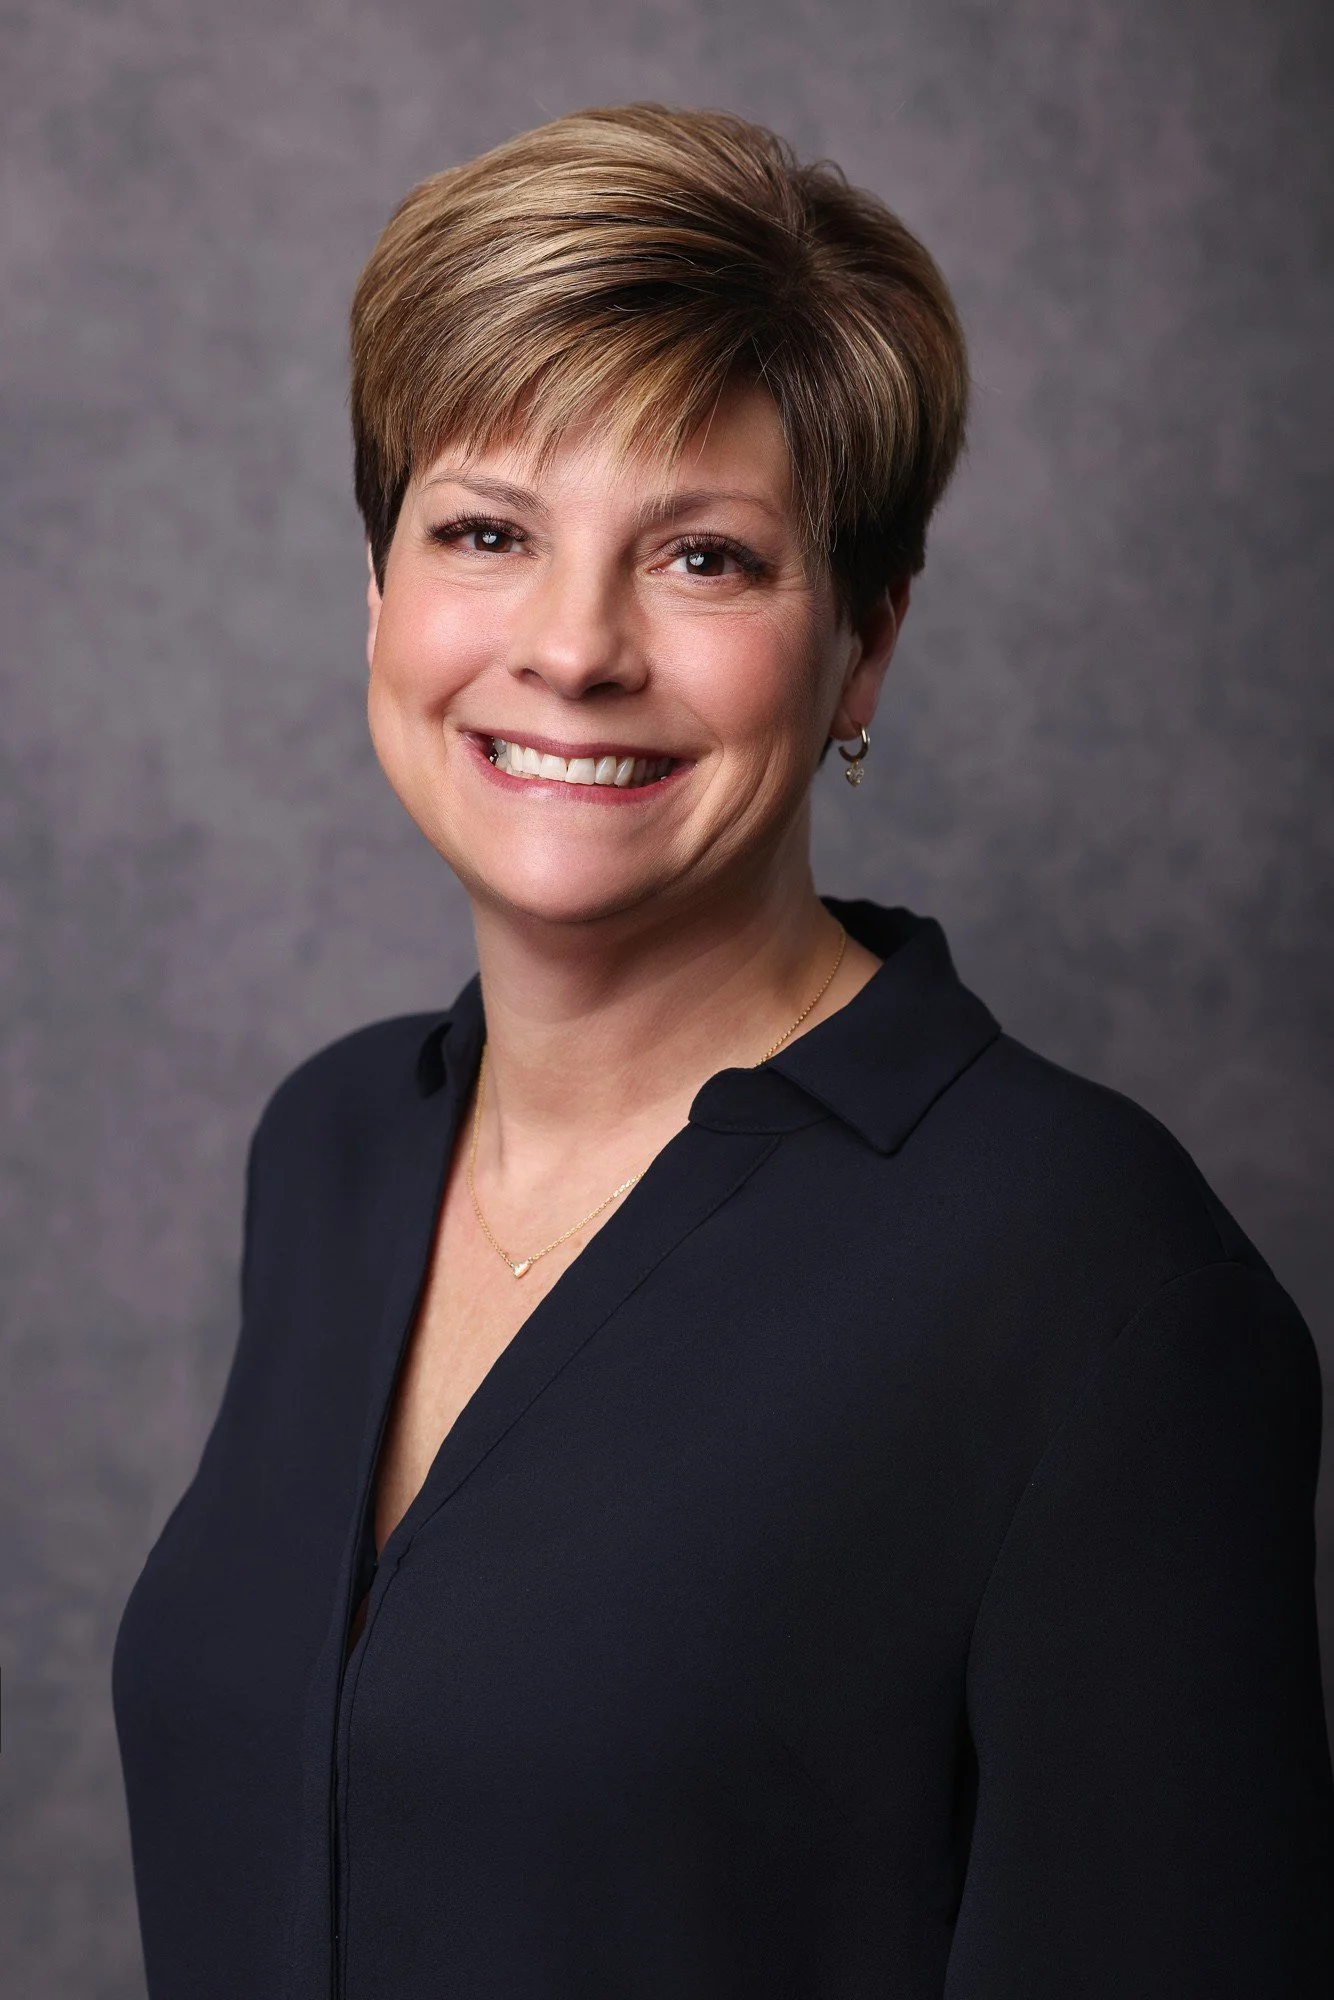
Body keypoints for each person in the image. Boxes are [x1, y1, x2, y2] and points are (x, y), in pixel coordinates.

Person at [112, 104, 1334, 1997]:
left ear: (861, 646)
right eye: (486, 532)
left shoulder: (1095, 1283)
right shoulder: (337, 1148)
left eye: (700, 559)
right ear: (379, 591)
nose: (572, 647)